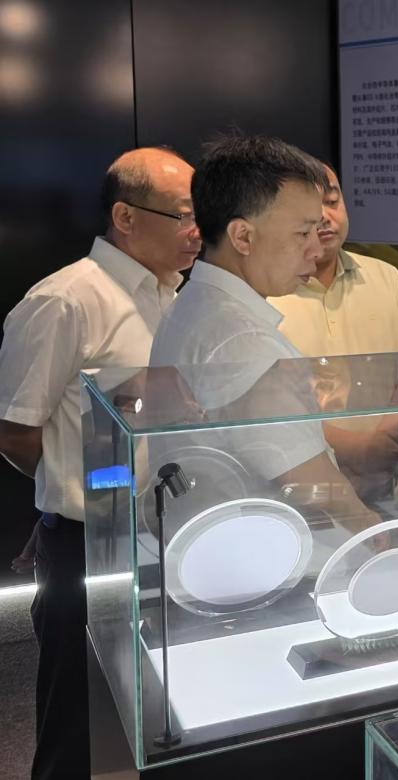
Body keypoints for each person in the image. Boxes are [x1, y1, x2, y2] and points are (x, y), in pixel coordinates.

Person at [0, 147, 199, 780]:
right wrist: (75, 489)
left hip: (164, 536)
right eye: (184, 215)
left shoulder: (176, 297)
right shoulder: (65, 300)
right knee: (76, 722)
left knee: (154, 714)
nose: (198, 230)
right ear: (125, 216)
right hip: (89, 544)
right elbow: (15, 430)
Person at [149, 134, 376, 535]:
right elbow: (305, 476)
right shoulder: (241, 337)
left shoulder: (196, 302)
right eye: (303, 233)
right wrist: (371, 529)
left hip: (223, 536)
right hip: (253, 546)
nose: (316, 249)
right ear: (243, 237)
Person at [267, 163, 398, 507]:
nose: (325, 217)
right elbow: (265, 411)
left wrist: (387, 434)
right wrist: (356, 448)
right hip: (301, 496)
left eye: (332, 201)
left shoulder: (386, 278)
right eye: (310, 209)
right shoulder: (266, 292)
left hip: (386, 483)